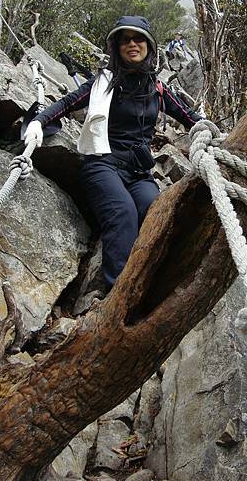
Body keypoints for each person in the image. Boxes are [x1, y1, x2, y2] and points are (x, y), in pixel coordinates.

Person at [24, 16, 202, 290]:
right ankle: (116, 293)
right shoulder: (103, 82)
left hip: (139, 172)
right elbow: (68, 102)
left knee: (155, 213)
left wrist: (215, 135)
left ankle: (151, 284)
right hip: (102, 165)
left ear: (149, 45)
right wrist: (38, 122)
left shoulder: (157, 88)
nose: (132, 44)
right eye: (125, 39)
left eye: (138, 38)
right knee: (123, 212)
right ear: (117, 47)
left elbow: (189, 117)